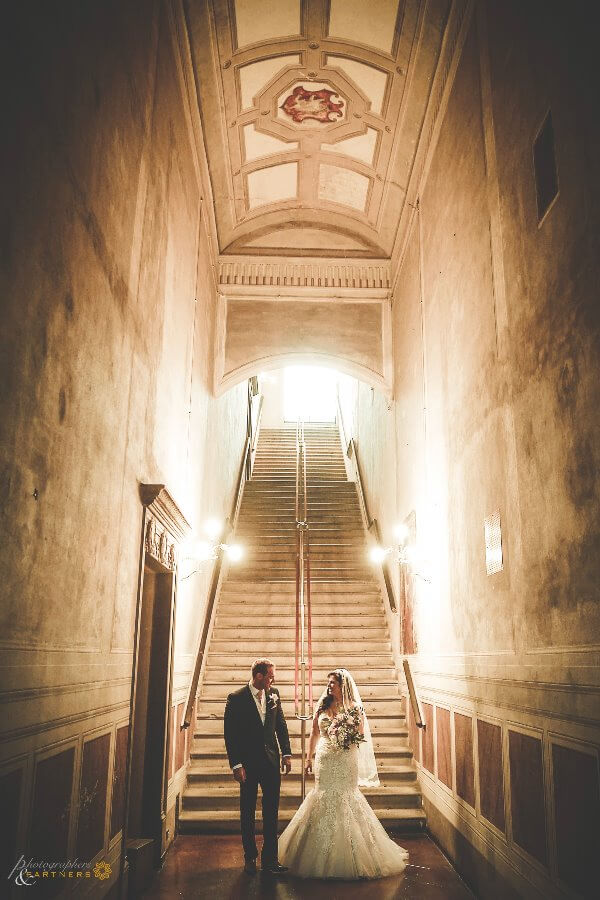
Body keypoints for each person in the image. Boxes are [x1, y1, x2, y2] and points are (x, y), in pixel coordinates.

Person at [278, 668, 409, 879]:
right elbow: (313, 733)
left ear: (343, 686)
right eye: (328, 683)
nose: (329, 687)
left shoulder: (355, 709)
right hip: (325, 758)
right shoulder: (323, 705)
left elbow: (359, 735)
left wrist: (344, 739)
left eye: (333, 683)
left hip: (345, 759)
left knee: (346, 796)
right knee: (322, 796)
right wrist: (309, 757)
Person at [223, 657, 292, 875]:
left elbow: (280, 724)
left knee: (271, 811)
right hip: (248, 764)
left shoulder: (274, 695)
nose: (274, 679)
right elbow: (230, 735)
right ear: (259, 676)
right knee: (248, 810)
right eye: (271, 676)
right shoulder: (236, 698)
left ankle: (270, 860)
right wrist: (236, 764)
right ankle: (250, 854)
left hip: (271, 762)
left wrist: (286, 753)